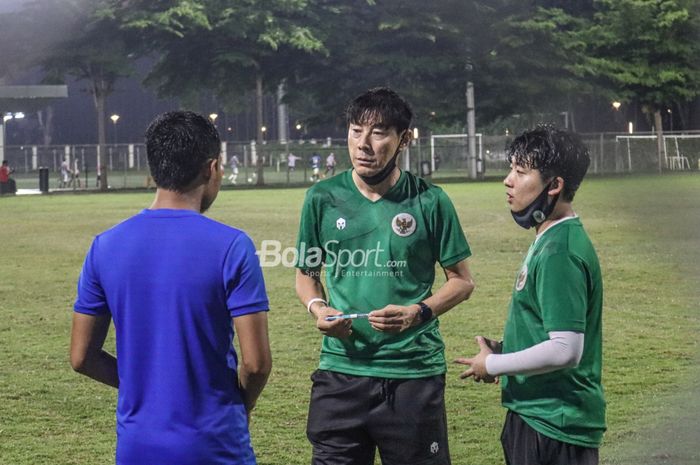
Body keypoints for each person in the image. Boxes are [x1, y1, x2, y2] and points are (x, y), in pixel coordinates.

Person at [70, 111, 272, 465]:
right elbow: (256, 365)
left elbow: (81, 357)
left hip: (137, 446)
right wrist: (244, 403)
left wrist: (146, 388)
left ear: (154, 167)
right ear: (212, 168)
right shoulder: (232, 246)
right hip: (215, 444)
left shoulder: (105, 246)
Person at [295, 87, 475, 465]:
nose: (363, 144)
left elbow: (461, 281)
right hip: (340, 372)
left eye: (378, 133)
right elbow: (306, 274)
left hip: (412, 372)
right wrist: (318, 308)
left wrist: (418, 312)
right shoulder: (322, 198)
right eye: (356, 130)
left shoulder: (430, 201)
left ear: (403, 139)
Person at [455, 125, 605, 465]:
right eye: (511, 169)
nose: (508, 180)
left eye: (521, 172)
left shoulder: (559, 251)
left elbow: (566, 349)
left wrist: (493, 363)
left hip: (553, 423)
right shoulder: (551, 238)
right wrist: (508, 350)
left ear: (554, 186)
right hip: (539, 415)